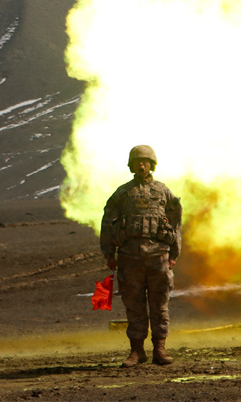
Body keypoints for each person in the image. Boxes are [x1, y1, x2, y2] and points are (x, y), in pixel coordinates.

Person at [100, 145, 182, 367]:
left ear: (152, 164)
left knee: (159, 305)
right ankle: (137, 351)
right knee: (134, 306)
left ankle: (160, 349)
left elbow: (175, 223)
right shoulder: (122, 193)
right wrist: (109, 253)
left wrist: (174, 253)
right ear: (131, 165)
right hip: (130, 257)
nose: (141, 165)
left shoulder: (163, 192)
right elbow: (107, 222)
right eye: (137, 161)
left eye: (145, 161)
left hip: (159, 257)